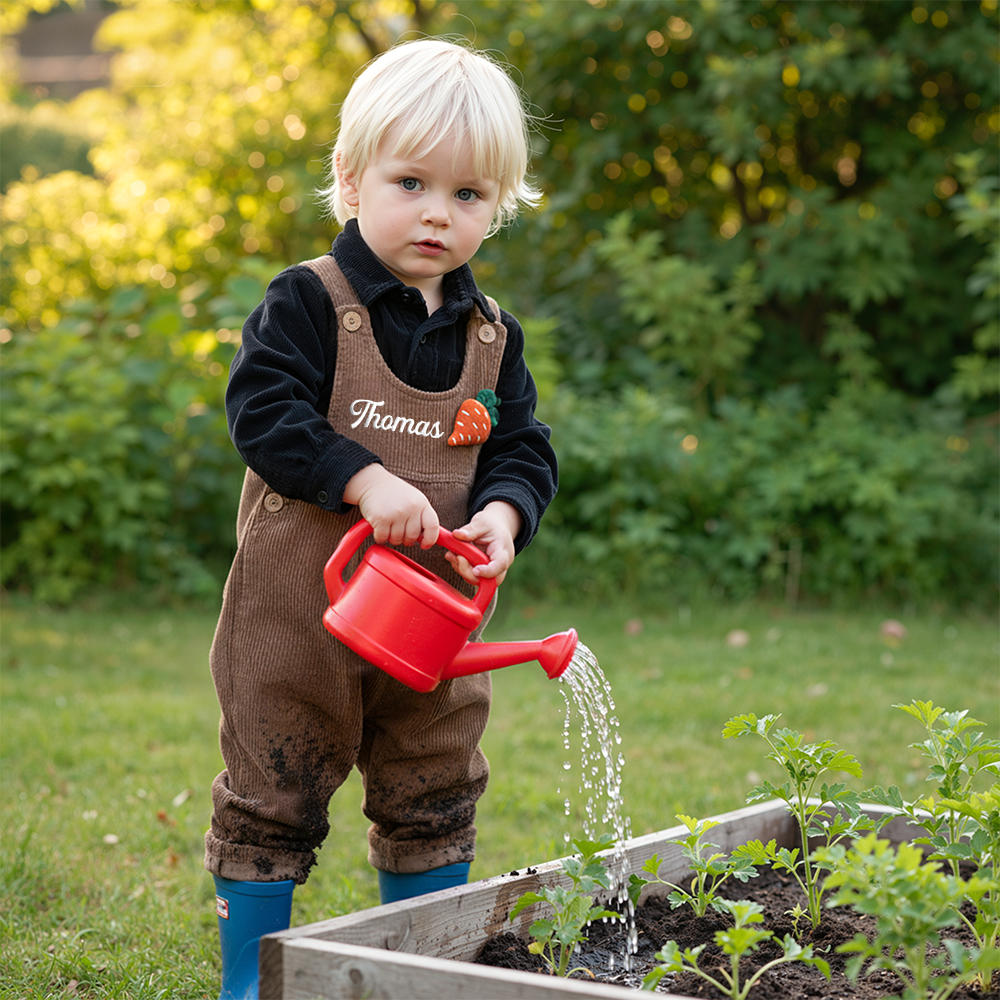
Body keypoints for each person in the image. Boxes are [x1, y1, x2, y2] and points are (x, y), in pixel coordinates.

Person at [203, 37, 558, 1000]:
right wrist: (360, 478)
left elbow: (524, 446)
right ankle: (254, 984)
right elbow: (262, 413)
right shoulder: (310, 302)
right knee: (274, 792)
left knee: (434, 786)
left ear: (499, 206)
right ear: (352, 180)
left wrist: (503, 513)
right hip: (298, 626)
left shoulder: (492, 337)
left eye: (470, 195)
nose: (439, 213)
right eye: (412, 182)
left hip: (429, 628)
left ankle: (418, 974)